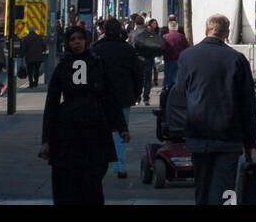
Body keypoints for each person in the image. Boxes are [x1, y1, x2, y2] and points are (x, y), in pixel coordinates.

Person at [166, 14, 256, 206]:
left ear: (206, 29)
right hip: (229, 133)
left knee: (202, 184)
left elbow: (180, 91)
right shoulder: (237, 59)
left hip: (198, 131)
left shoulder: (188, 56)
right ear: (226, 32)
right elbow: (247, 103)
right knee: (225, 188)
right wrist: (249, 140)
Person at [41, 24, 127, 205]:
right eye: (73, 40)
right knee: (67, 177)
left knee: (93, 177)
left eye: (80, 39)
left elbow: (111, 96)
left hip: (94, 125)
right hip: (68, 128)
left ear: (86, 41)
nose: (77, 42)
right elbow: (51, 104)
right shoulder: (63, 67)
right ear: (67, 43)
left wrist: (122, 127)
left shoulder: (97, 63)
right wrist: (46, 139)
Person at [92, 17, 144, 179]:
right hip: (123, 95)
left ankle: (98, 162)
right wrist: (137, 93)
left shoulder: (96, 49)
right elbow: (137, 73)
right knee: (121, 131)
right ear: (120, 30)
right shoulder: (127, 49)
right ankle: (120, 165)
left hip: (100, 96)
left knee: (99, 130)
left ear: (104, 30)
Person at [132, 18, 164, 104]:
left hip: (138, 58)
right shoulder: (150, 33)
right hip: (149, 59)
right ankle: (146, 97)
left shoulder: (133, 33)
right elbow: (156, 45)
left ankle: (137, 97)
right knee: (147, 79)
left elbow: (131, 46)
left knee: (137, 78)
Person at [161, 17, 190, 91]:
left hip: (168, 59)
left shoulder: (164, 37)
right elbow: (187, 47)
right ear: (177, 27)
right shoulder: (181, 36)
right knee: (177, 76)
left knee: (168, 75)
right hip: (179, 59)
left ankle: (167, 90)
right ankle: (176, 90)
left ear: (169, 27)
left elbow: (162, 48)